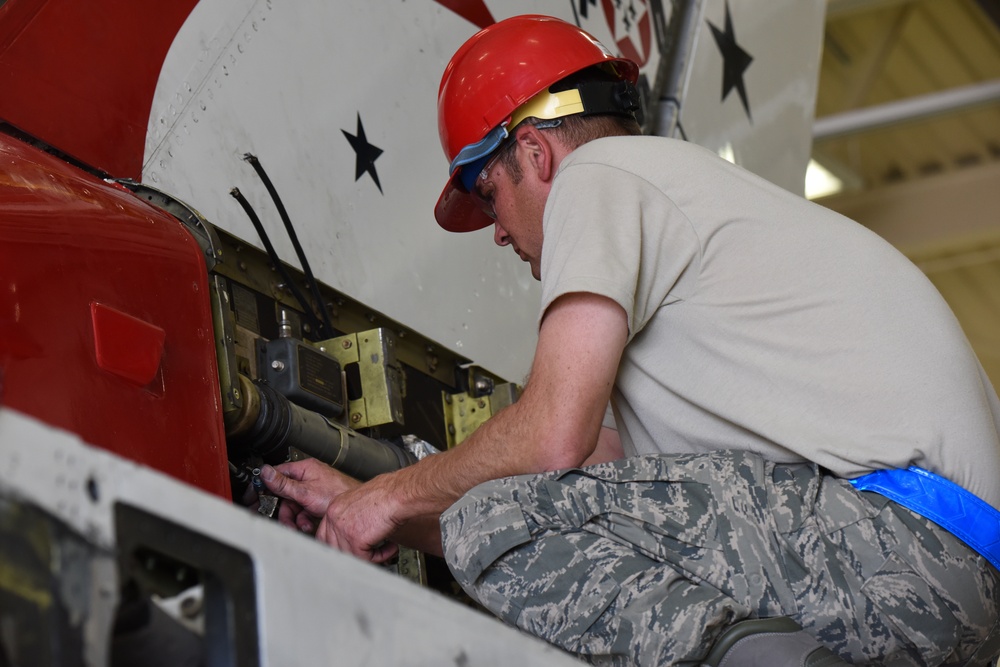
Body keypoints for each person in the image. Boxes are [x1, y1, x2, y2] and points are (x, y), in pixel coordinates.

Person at [260, 14, 1000, 666]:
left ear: (537, 155)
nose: (496, 233)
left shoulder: (600, 177)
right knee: (501, 517)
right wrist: (371, 501)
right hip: (942, 581)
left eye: (490, 193)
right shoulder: (680, 221)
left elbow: (550, 440)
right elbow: (573, 481)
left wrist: (387, 496)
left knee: (496, 518)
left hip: (896, 539)